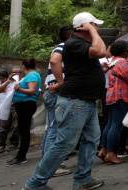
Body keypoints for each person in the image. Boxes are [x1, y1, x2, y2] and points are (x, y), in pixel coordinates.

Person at [24, 12, 106, 190]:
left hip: (86, 101)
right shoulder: (73, 43)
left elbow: (98, 53)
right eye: (94, 24)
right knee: (64, 144)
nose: (97, 28)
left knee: (91, 140)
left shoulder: (82, 44)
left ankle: (83, 180)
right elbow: (101, 51)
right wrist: (92, 30)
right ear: (85, 26)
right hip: (75, 101)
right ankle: (35, 184)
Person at [98, 40, 128, 164]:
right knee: (116, 125)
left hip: (110, 95)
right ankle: (110, 153)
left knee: (110, 124)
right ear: (125, 51)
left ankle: (103, 150)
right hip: (121, 95)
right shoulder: (123, 63)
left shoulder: (112, 62)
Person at [41, 25, 73, 176]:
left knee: (50, 129)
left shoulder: (60, 47)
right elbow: (54, 62)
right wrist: (61, 83)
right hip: (55, 93)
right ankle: (51, 167)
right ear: (70, 37)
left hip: (51, 93)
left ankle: (47, 163)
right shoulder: (63, 48)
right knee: (54, 130)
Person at [5, 58, 41, 166]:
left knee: (24, 131)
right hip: (23, 105)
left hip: (26, 104)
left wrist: (19, 89)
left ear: (24, 67)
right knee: (23, 130)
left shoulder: (33, 75)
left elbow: (32, 90)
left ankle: (21, 156)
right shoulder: (29, 76)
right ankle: (21, 155)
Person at [0, 67, 21, 153]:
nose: (14, 74)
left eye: (16, 72)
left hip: (17, 105)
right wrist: (8, 81)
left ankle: (13, 144)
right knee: (3, 126)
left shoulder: (23, 81)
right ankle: (1, 144)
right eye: (13, 72)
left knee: (16, 126)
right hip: (7, 105)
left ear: (21, 73)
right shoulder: (9, 82)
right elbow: (0, 90)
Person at [0, 71, 9, 139]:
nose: (1, 80)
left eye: (3, 78)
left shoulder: (8, 83)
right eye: (0, 78)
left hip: (2, 103)